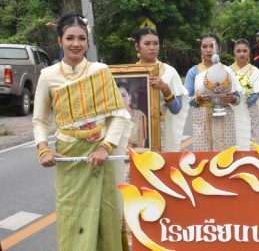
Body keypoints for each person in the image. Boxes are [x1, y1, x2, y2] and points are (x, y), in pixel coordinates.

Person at [33, 13, 131, 250]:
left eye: (81, 38)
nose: (76, 43)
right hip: (69, 157)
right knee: (72, 215)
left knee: (106, 213)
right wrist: (43, 149)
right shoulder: (48, 75)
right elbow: (39, 120)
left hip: (100, 156)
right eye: (70, 38)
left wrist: (105, 147)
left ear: (88, 42)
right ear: (60, 41)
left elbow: (119, 114)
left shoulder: (101, 70)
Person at [186, 34, 246, 151]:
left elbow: (238, 98)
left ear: (218, 48)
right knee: (204, 158)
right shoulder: (194, 72)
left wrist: (231, 99)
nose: (208, 50)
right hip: (202, 119)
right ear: (200, 49)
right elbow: (187, 100)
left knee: (225, 158)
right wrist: (198, 98)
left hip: (225, 118)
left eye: (212, 46)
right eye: (204, 47)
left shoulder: (227, 70)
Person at [134, 27, 189, 152]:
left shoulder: (169, 72)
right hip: (135, 129)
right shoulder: (130, 74)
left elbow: (176, 109)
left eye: (156, 43)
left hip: (160, 128)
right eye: (147, 44)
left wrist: (165, 89)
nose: (152, 48)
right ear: (137, 47)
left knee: (159, 167)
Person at [232, 39, 259, 148]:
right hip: (233, 111)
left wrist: (243, 105)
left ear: (249, 52)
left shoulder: (255, 71)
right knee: (235, 142)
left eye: (245, 51)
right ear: (234, 52)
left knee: (252, 143)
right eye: (238, 51)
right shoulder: (228, 70)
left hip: (251, 110)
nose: (241, 54)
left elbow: (256, 93)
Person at [117, 81, 147, 148]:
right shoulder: (110, 117)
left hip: (135, 156)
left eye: (123, 95)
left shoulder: (139, 116)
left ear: (130, 97)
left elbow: (141, 145)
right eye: (117, 96)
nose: (120, 99)